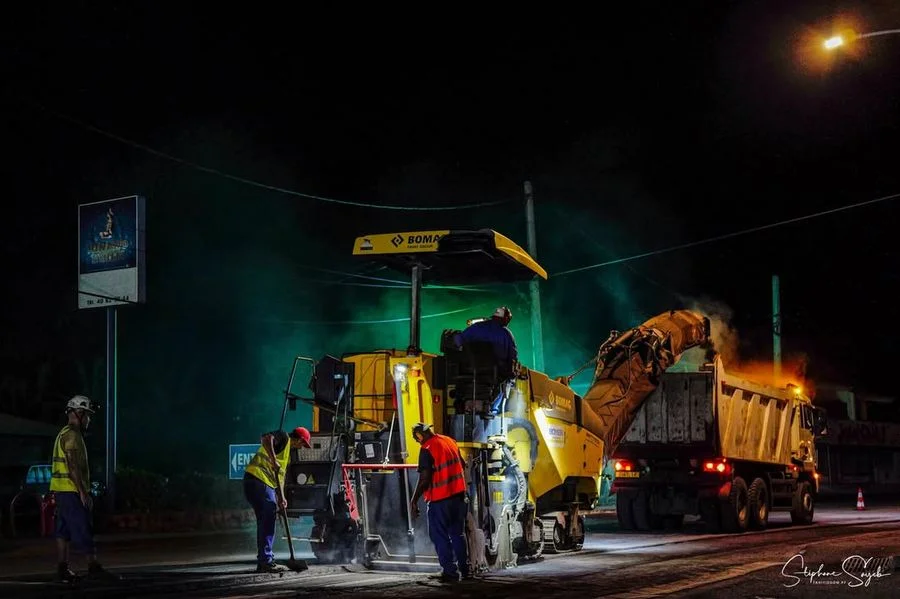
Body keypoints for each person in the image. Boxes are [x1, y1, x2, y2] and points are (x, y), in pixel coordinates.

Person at [50, 395, 114, 582]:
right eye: (87, 415)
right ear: (79, 413)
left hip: (61, 491)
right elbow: (72, 464)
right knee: (84, 527)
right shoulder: (72, 435)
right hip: (71, 491)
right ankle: (93, 566)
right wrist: (83, 491)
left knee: (63, 531)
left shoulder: (62, 432)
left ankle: (62, 568)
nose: (89, 420)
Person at [243, 426, 311, 572]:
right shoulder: (284, 436)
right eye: (303, 444)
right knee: (268, 518)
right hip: (259, 479)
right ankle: (265, 560)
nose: (301, 447)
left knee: (265, 520)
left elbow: (280, 478)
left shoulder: (287, 453)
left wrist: (282, 497)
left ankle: (264, 560)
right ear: (298, 439)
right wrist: (273, 460)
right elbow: (266, 438)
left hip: (257, 482)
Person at [409, 423, 471, 582]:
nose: (418, 442)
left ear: (420, 436)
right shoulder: (449, 441)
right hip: (458, 497)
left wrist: (414, 500)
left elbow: (424, 479)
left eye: (417, 439)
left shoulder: (427, 448)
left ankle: (450, 572)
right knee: (458, 534)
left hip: (440, 500)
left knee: (439, 535)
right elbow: (462, 465)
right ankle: (465, 570)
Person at [457, 306, 518, 375]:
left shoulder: (476, 327)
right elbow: (513, 357)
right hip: (496, 374)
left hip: (471, 372)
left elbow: (458, 340)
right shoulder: (507, 334)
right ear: (506, 319)